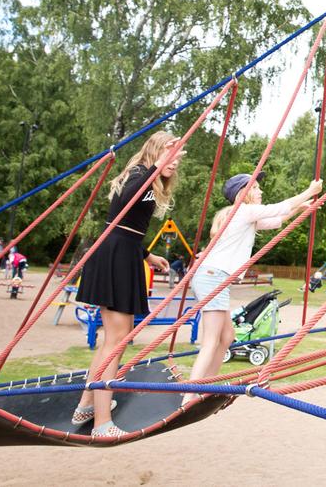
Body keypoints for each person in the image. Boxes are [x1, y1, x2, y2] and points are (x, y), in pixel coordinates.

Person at [73, 132, 183, 438]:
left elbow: (127, 228)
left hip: (124, 253)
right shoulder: (139, 173)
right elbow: (125, 200)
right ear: (156, 151)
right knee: (116, 341)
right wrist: (156, 167)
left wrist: (148, 255)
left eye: (178, 156)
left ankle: (87, 403)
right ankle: (102, 423)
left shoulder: (151, 179)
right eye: (170, 154)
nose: (175, 161)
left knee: (115, 340)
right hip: (114, 257)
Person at [186, 173, 321, 398]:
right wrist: (309, 192)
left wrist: (300, 208)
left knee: (227, 337)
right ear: (243, 193)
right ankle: (189, 395)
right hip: (213, 276)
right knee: (211, 340)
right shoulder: (244, 211)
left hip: (214, 277)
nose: (260, 191)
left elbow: (277, 219)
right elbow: (279, 207)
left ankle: (206, 387)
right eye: (256, 188)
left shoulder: (244, 216)